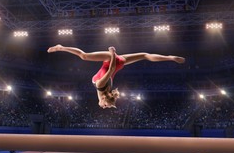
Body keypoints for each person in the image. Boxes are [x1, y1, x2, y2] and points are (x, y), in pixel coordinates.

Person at [47, 44, 185, 109]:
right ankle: (61, 47)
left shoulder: (106, 90)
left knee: (144, 55)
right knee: (83, 56)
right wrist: (112, 53)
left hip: (120, 63)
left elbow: (113, 70)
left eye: (106, 106)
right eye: (106, 105)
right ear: (104, 99)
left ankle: (170, 57)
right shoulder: (101, 85)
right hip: (111, 60)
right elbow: (111, 68)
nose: (103, 107)